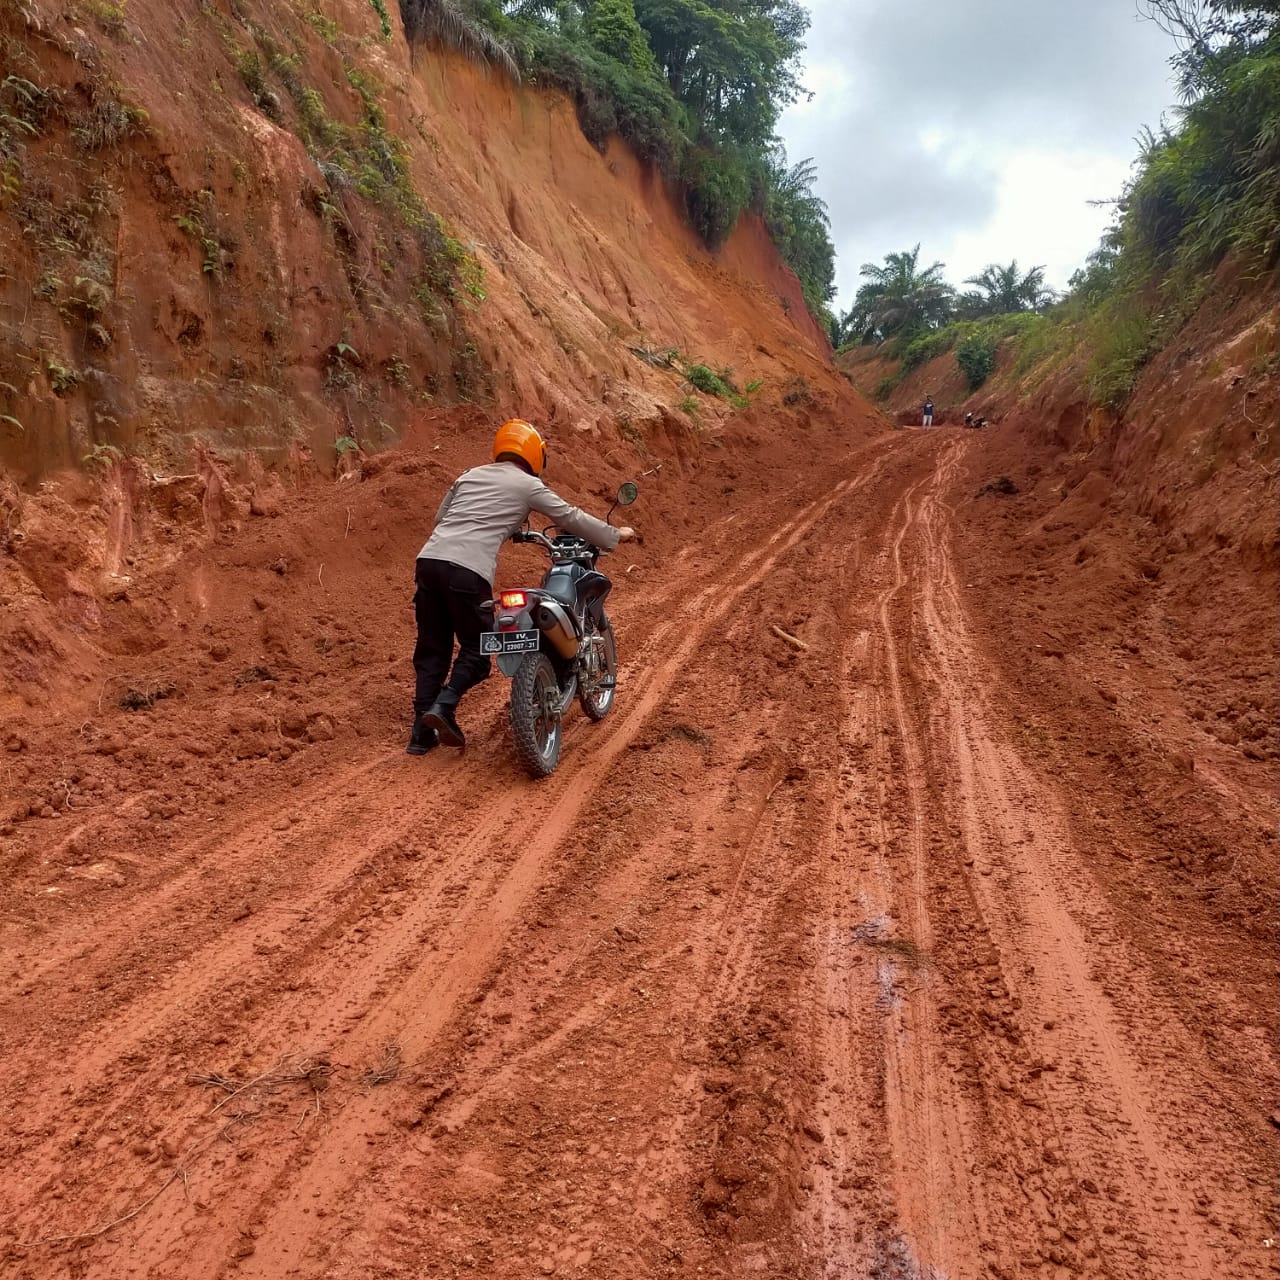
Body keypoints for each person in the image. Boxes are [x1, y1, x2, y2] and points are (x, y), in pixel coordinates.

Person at [407, 419, 635, 755]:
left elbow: (443, 519)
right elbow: (569, 516)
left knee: (432, 649)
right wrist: (614, 536)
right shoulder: (528, 485)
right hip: (468, 571)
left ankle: (419, 736)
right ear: (535, 455)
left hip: (428, 562)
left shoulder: (469, 475)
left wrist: (504, 523)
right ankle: (444, 705)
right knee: (476, 651)